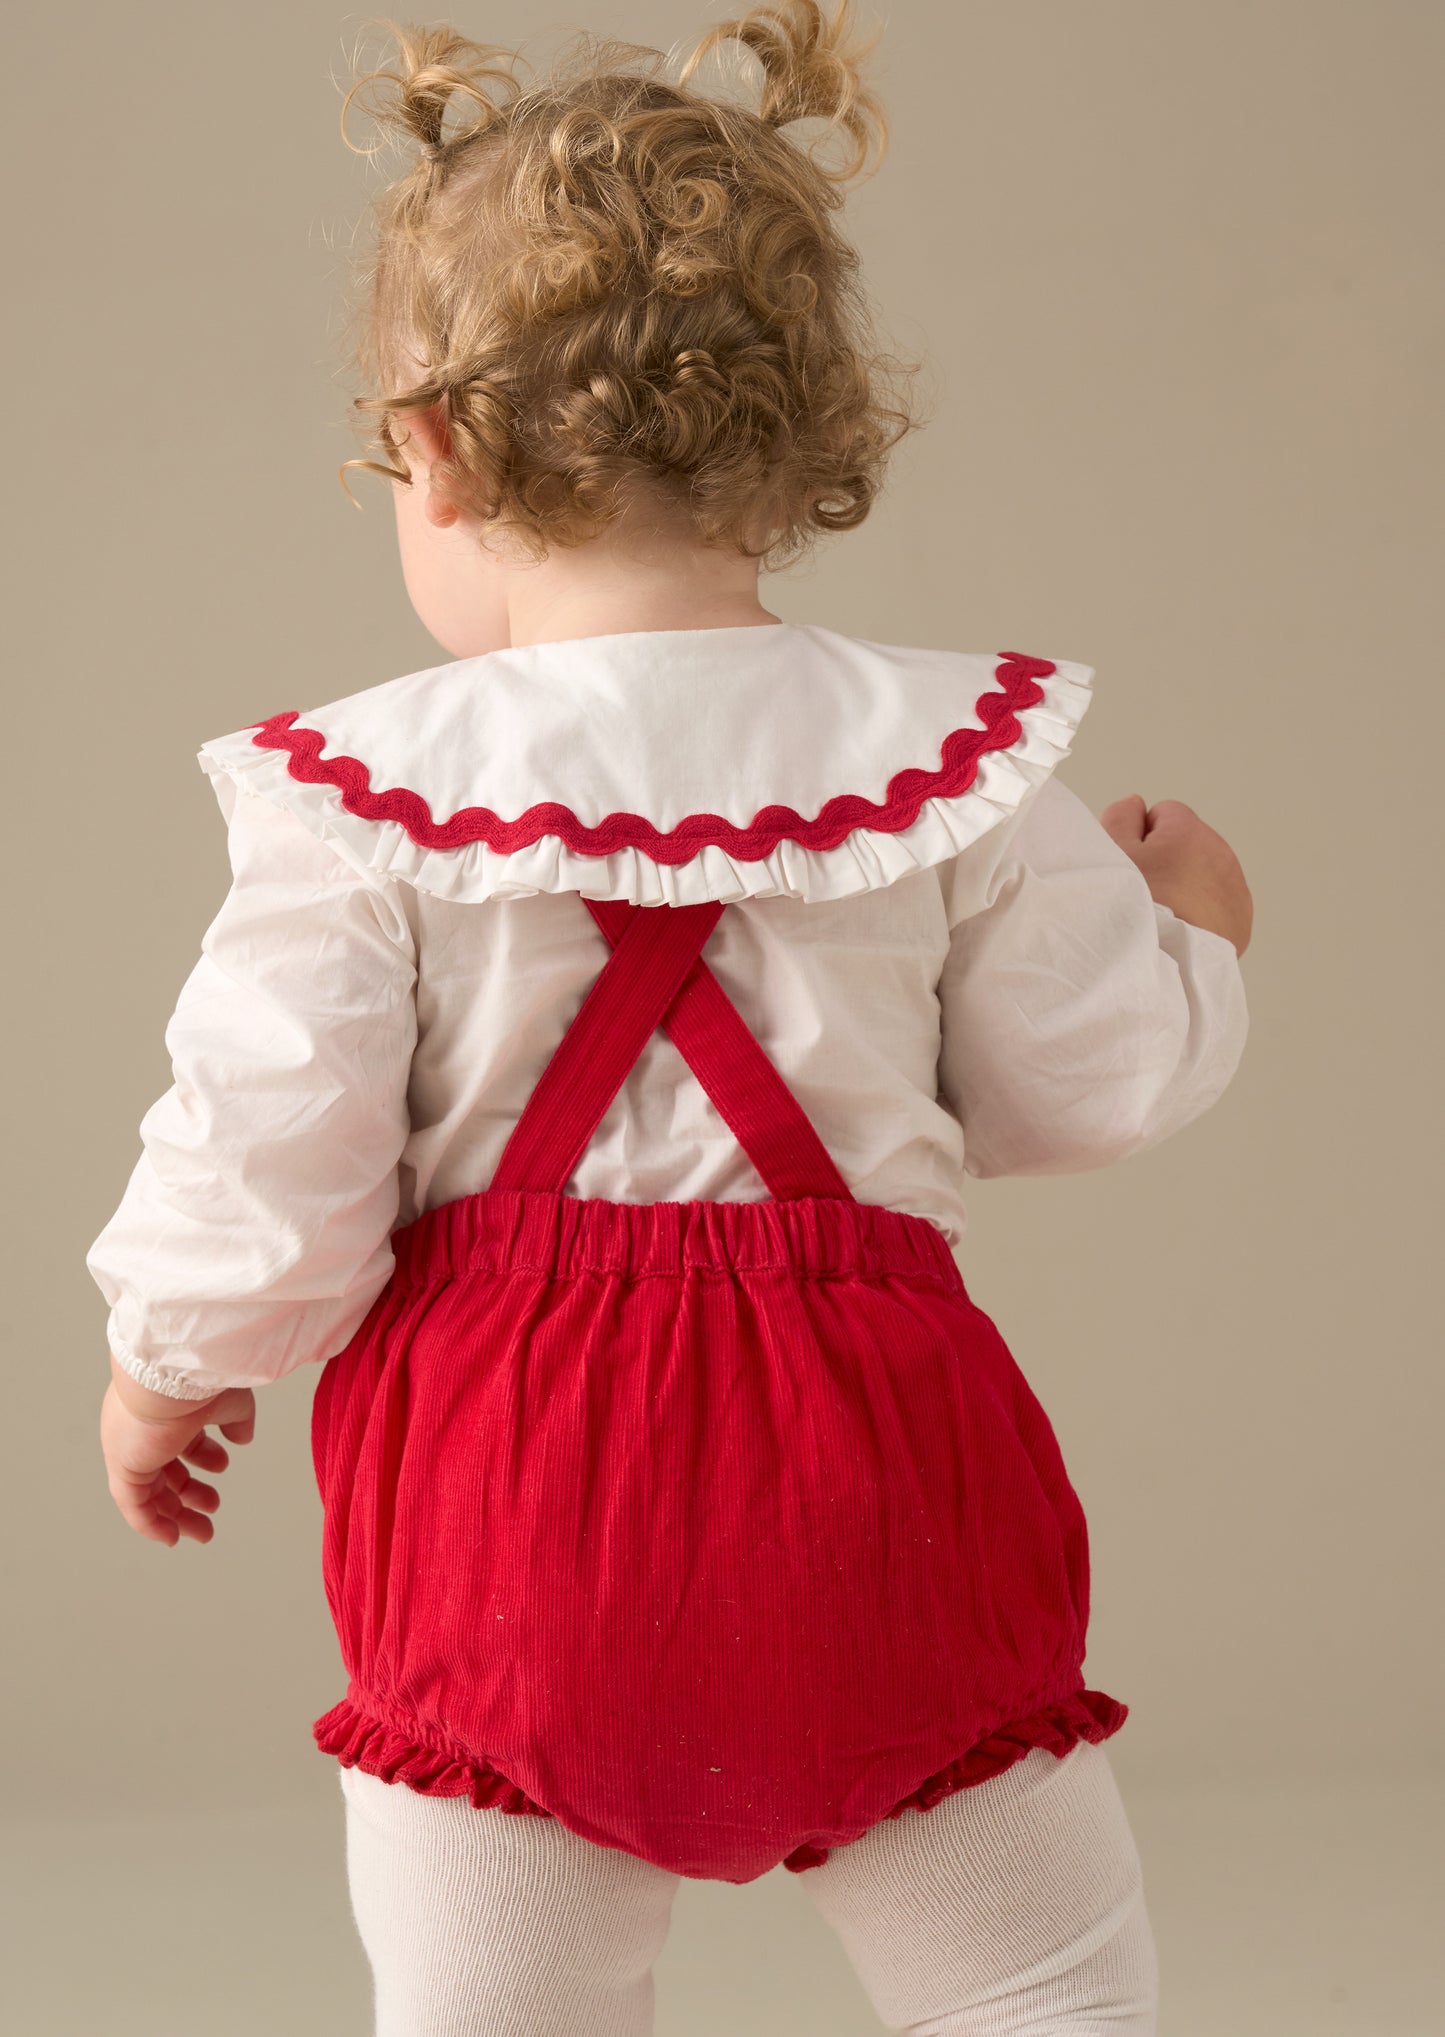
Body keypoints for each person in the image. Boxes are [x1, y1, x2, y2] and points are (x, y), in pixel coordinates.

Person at [88, 6, 1252, 2031]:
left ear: (432, 451)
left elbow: (261, 1140)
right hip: (871, 1515)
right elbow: (1086, 1090)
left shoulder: (364, 802)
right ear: (802, 442)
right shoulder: (949, 762)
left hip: (509, 1541)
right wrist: (1195, 930)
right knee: (1045, 1985)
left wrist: (169, 1362)